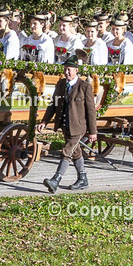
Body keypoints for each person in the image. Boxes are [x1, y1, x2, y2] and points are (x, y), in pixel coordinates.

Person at [37, 56, 97, 192]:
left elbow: (91, 110)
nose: (66, 72)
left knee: (67, 151)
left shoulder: (85, 87)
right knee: (76, 152)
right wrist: (44, 121)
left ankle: (56, 180)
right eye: (65, 69)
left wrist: (93, 131)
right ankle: (83, 179)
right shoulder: (61, 84)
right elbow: (53, 104)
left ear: (76, 70)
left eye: (69, 70)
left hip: (79, 127)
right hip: (65, 125)